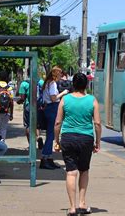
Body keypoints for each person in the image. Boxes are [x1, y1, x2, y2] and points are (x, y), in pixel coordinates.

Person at [54, 73, 101, 216]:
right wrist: (97, 142)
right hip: (86, 139)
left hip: (68, 138)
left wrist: (57, 141)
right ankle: (82, 203)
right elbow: (97, 123)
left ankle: (72, 207)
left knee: (71, 172)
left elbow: (57, 122)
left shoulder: (65, 99)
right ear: (86, 85)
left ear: (73, 84)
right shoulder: (92, 100)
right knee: (84, 170)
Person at [41, 66, 69, 170]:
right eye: (60, 74)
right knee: (51, 135)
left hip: (48, 108)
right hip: (52, 108)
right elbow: (53, 98)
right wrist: (63, 93)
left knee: (50, 134)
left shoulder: (47, 83)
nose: (61, 76)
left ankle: (49, 158)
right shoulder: (52, 83)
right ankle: (45, 157)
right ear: (56, 74)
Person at [17, 69, 44, 149]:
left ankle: (31, 145)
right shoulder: (41, 82)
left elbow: (22, 98)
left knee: (28, 125)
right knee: (37, 125)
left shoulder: (24, 84)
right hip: (39, 106)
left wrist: (18, 102)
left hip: (29, 106)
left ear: (27, 73)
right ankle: (38, 137)